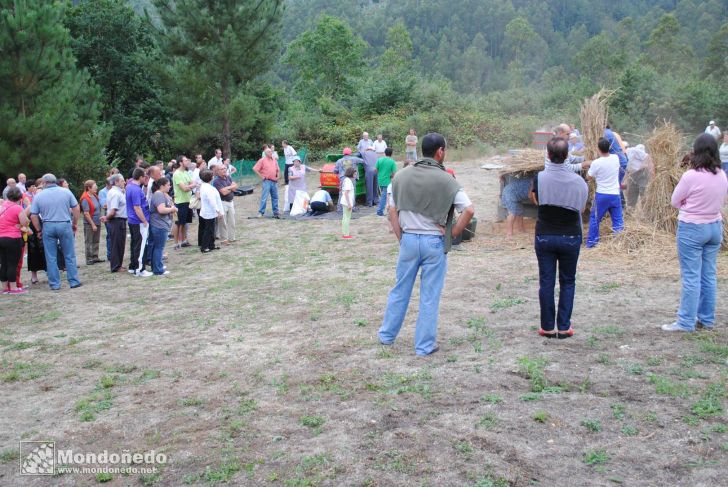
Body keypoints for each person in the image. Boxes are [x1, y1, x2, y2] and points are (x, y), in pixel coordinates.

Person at [378, 133, 475, 356]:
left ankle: (386, 335)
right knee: (429, 295)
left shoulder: (400, 176)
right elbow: (469, 209)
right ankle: (423, 346)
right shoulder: (447, 179)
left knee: (400, 289)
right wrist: (454, 232)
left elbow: (392, 209)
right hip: (434, 241)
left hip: (409, 239)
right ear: (440, 151)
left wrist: (401, 237)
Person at [662, 134, 728, 332]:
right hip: (714, 227)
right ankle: (706, 319)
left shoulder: (690, 175)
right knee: (708, 275)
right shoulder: (722, 174)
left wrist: (689, 204)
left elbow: (675, 201)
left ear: (696, 151)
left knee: (691, 276)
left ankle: (685, 322)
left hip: (692, 228)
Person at [529, 137, 589, 338]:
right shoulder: (579, 181)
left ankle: (547, 327)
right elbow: (581, 208)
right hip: (570, 235)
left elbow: (535, 198)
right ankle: (564, 327)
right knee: (568, 281)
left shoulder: (539, 177)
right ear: (567, 156)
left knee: (546, 282)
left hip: (545, 234)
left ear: (547, 154)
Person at [29, 174, 81, 290]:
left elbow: (33, 215)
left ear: (44, 183)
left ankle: (55, 284)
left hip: (48, 226)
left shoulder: (39, 196)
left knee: (51, 256)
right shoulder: (66, 192)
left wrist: (38, 230)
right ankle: (73, 281)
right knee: (69, 254)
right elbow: (76, 208)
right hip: (64, 223)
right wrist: (74, 223)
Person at [586, 137, 624, 247]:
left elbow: (589, 177)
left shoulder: (596, 163)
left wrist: (589, 165)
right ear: (609, 148)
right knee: (618, 220)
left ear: (598, 149)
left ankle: (592, 243)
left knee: (595, 218)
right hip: (615, 195)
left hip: (602, 195)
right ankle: (619, 243)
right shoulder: (616, 158)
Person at [0, 187, 30, 294]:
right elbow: (24, 222)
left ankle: (4, 288)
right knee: (13, 264)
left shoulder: (2, 206)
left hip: (1, 237)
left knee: (3, 263)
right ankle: (13, 288)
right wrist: (20, 224)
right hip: (13, 238)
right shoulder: (17, 208)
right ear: (19, 196)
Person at [126, 168, 152, 277]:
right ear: (140, 177)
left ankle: (133, 266)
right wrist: (144, 220)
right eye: (144, 176)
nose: (145, 178)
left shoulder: (129, 186)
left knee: (134, 243)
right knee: (140, 245)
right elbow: (137, 207)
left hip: (132, 220)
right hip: (138, 221)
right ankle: (139, 269)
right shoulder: (136, 189)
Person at [148, 177, 176, 275]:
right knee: (159, 247)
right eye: (168, 185)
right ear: (162, 186)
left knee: (156, 247)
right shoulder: (159, 194)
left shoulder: (162, 194)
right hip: (159, 225)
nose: (170, 186)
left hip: (159, 224)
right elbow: (161, 210)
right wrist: (172, 209)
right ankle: (158, 269)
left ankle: (156, 267)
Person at [102, 174, 127, 273]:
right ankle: (116, 266)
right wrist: (107, 218)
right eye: (122, 181)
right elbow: (113, 210)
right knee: (116, 244)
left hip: (119, 220)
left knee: (120, 243)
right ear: (116, 182)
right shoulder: (115, 193)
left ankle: (118, 264)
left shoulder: (117, 192)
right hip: (117, 221)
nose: (124, 182)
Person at [172, 156, 197, 248]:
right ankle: (176, 243)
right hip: (180, 201)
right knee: (178, 223)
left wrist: (190, 185)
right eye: (186, 160)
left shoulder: (186, 172)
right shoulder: (177, 174)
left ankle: (183, 241)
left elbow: (193, 183)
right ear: (180, 163)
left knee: (184, 222)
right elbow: (184, 188)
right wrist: (191, 186)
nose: (188, 161)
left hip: (188, 200)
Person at [25, 179, 46, 284]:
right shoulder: (28, 201)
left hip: (45, 226)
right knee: (33, 251)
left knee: (47, 250)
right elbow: (25, 216)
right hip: (33, 229)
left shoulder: (46, 201)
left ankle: (50, 272)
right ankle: (34, 275)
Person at [212, 163, 238, 244]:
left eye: (225, 168)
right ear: (217, 171)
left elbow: (235, 188)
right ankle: (224, 239)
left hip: (231, 202)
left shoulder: (228, 177)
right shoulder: (216, 181)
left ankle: (231, 237)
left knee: (232, 221)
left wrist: (228, 188)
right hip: (222, 203)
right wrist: (231, 187)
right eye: (222, 169)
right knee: (222, 222)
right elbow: (223, 192)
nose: (224, 170)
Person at [198, 170, 223, 253]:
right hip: (209, 212)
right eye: (212, 175)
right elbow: (212, 201)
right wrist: (218, 211)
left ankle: (211, 245)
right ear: (210, 177)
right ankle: (204, 247)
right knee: (208, 230)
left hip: (207, 211)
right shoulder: (208, 188)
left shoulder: (205, 186)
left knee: (211, 229)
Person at [79, 180, 103, 266]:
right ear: (89, 188)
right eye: (94, 187)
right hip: (89, 223)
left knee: (96, 240)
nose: (96, 188)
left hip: (97, 221)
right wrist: (92, 224)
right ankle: (89, 259)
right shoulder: (85, 198)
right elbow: (86, 213)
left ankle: (95, 257)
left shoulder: (94, 196)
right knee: (89, 241)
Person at [254, 146, 281, 218]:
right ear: (265, 153)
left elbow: (278, 169)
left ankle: (276, 212)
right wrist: (262, 176)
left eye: (271, 151)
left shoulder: (274, 160)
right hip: (267, 181)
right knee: (264, 197)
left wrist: (277, 177)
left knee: (275, 197)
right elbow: (255, 169)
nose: (271, 153)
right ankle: (261, 212)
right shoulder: (262, 160)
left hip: (274, 181)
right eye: (269, 152)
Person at [624, 144, 654, 209]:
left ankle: (646, 212)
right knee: (631, 194)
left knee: (643, 193)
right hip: (632, 175)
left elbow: (647, 157)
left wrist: (645, 166)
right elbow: (627, 170)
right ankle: (631, 213)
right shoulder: (619, 158)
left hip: (642, 173)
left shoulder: (633, 151)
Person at [375, 147, 397, 216]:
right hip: (387, 181)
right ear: (392, 154)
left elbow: (375, 170)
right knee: (384, 196)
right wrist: (391, 176)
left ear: (385, 153)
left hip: (380, 180)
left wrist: (380, 174)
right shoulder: (392, 162)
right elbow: (394, 173)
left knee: (383, 195)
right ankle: (380, 211)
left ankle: (383, 210)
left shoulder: (379, 160)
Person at [340, 166, 357, 239]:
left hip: (345, 201)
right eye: (355, 173)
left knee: (345, 217)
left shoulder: (346, 180)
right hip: (347, 202)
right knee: (347, 218)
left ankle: (344, 232)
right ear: (351, 173)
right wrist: (349, 204)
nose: (355, 175)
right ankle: (346, 234)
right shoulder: (348, 181)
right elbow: (346, 193)